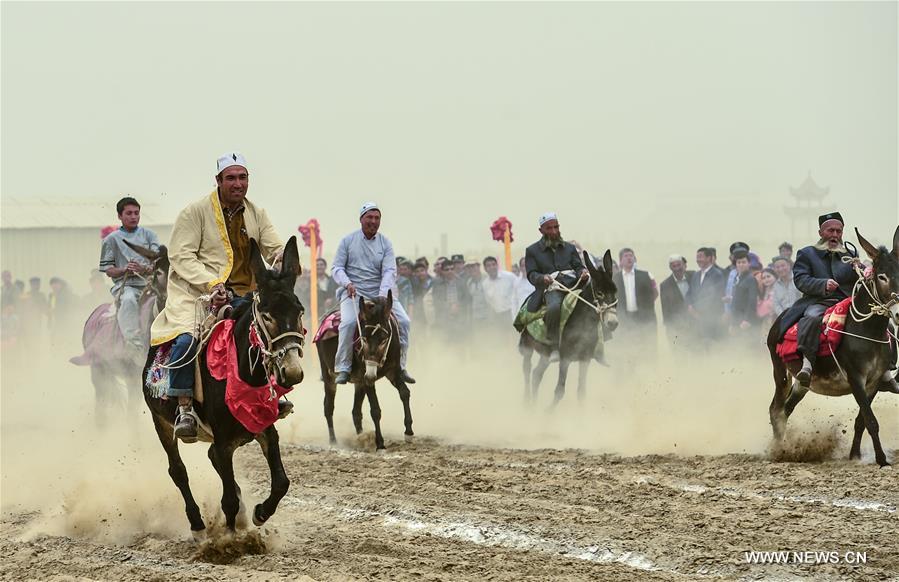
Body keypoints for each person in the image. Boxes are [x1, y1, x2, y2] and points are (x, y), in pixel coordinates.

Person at [150, 152, 284, 441]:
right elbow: (181, 256)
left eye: (243, 177)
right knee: (187, 340)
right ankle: (184, 407)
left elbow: (274, 247)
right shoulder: (194, 212)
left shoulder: (257, 213)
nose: (238, 184)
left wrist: (285, 258)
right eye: (231, 178)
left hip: (246, 297)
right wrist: (211, 284)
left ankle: (272, 395)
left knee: (274, 333)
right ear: (219, 181)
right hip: (197, 295)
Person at [331, 202, 415, 385]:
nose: (373, 221)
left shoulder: (386, 243)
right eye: (370, 217)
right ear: (361, 219)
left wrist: (383, 295)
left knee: (404, 322)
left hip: (380, 295)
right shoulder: (347, 241)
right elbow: (336, 268)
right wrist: (348, 283)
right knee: (349, 323)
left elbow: (389, 271)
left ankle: (401, 366)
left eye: (377, 218)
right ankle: (343, 367)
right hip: (354, 294)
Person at [778, 212, 860, 386]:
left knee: (878, 318)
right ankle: (807, 364)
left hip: (848, 301)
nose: (835, 235)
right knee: (812, 317)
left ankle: (886, 372)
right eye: (831, 231)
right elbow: (800, 279)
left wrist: (863, 271)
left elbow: (857, 280)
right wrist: (822, 284)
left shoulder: (850, 253)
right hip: (818, 302)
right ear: (821, 233)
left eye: (839, 231)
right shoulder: (807, 253)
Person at [99, 196, 161, 362]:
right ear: (120, 216)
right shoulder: (111, 240)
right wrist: (124, 269)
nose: (133, 216)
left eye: (136, 213)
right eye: (129, 213)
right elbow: (108, 270)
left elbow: (158, 260)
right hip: (127, 286)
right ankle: (134, 345)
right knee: (128, 300)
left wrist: (146, 268)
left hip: (150, 284)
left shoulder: (150, 235)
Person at [523, 213, 587, 346]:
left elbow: (578, 266)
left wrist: (583, 272)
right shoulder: (532, 251)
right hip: (552, 288)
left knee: (595, 300)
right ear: (541, 230)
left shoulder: (569, 248)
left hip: (574, 284)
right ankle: (552, 345)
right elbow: (531, 274)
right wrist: (542, 278)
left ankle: (597, 341)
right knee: (553, 308)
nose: (554, 231)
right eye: (549, 228)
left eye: (556, 227)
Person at [612, 247, 658, 331]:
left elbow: (655, 293)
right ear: (620, 261)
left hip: (643, 318)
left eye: (631, 255)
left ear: (634, 259)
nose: (629, 258)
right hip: (624, 319)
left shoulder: (646, 275)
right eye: (626, 256)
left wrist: (646, 306)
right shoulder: (615, 279)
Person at [686, 247, 726, 342]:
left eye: (700, 257)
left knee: (710, 345)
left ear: (709, 258)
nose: (698, 260)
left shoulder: (717, 275)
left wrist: (695, 308)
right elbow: (689, 293)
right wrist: (689, 306)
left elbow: (714, 296)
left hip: (711, 317)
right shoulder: (696, 275)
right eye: (697, 257)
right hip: (696, 318)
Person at [659, 254, 694, 341]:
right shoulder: (665, 285)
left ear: (684, 265)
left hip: (696, 323)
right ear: (670, 268)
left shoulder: (694, 275)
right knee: (678, 349)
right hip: (677, 327)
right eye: (674, 266)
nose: (677, 268)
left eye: (679, 265)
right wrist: (670, 333)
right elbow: (666, 309)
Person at [481, 256, 518, 328]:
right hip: (497, 316)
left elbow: (519, 290)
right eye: (488, 266)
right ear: (485, 269)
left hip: (511, 313)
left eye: (493, 264)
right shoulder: (485, 284)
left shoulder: (509, 276)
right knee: (502, 337)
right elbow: (489, 301)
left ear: (497, 265)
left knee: (514, 336)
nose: (492, 267)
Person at [729, 251, 759, 335]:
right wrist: (732, 323)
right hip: (736, 318)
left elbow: (752, 301)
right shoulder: (737, 278)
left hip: (745, 320)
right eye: (739, 262)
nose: (741, 264)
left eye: (744, 262)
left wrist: (747, 319)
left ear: (749, 264)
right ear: (736, 264)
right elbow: (734, 301)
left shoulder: (751, 279)